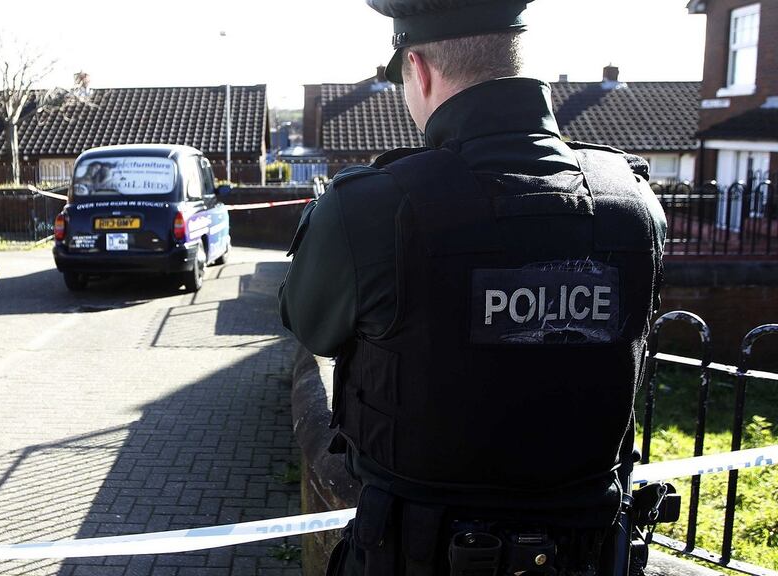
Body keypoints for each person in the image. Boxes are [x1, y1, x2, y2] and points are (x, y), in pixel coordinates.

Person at [278, 1, 667, 574]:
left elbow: (311, 325)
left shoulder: (370, 208)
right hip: (587, 554)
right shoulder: (634, 204)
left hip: (416, 554)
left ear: (420, 68)